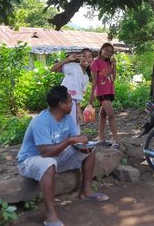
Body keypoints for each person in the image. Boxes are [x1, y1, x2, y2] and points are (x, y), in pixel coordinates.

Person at [17, 86, 108, 226]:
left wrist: (81, 144)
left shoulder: (67, 118)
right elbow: (46, 152)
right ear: (61, 104)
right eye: (70, 101)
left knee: (89, 151)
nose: (73, 104)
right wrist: (70, 141)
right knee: (48, 164)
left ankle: (86, 192)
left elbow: (73, 139)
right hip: (30, 160)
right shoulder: (40, 122)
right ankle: (50, 215)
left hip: (56, 157)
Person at [50, 48, 93, 134]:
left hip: (73, 105)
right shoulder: (73, 66)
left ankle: (72, 145)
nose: (86, 59)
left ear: (92, 59)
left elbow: (78, 98)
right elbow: (53, 69)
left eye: (89, 57)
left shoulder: (86, 78)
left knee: (73, 126)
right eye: (84, 56)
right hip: (62, 101)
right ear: (79, 57)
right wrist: (68, 59)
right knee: (62, 125)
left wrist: (79, 112)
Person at [88, 43, 119, 148]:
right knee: (111, 115)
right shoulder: (96, 62)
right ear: (101, 50)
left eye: (111, 52)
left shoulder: (109, 62)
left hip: (110, 91)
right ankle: (116, 140)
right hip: (102, 92)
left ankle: (100, 139)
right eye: (106, 50)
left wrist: (114, 65)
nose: (108, 53)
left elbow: (113, 78)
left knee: (103, 114)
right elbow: (94, 80)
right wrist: (91, 95)